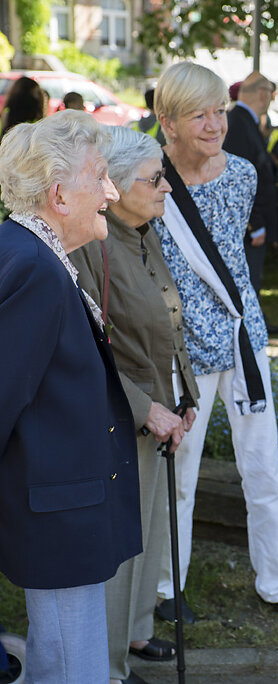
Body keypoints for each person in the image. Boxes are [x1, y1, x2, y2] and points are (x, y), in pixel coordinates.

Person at [152, 61, 278, 629]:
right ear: (167, 122)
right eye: (198, 115)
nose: (214, 124)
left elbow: (232, 262)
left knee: (264, 469)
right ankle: (166, 587)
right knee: (178, 476)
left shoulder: (243, 174)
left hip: (243, 340)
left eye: (218, 111)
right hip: (180, 352)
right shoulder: (148, 177)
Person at [0, 110, 142, 683]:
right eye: (100, 176)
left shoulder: (29, 250)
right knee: (70, 668)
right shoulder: (34, 266)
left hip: (61, 507)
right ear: (58, 194)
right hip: (57, 514)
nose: (112, 192)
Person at [70, 125, 200, 684]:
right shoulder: (90, 246)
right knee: (122, 540)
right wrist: (146, 407)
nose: (167, 187)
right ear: (117, 186)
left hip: (161, 408)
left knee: (150, 527)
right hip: (123, 413)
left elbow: (168, 316)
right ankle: (108, 666)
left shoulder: (146, 231)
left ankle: (137, 631)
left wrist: (186, 394)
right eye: (155, 179)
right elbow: (87, 348)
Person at [222, 73, 278, 315]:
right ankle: (248, 326)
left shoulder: (243, 120)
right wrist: (254, 224)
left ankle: (252, 323)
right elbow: (239, 179)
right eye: (271, 94)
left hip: (251, 221)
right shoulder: (238, 122)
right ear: (263, 94)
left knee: (252, 278)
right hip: (248, 225)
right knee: (247, 279)